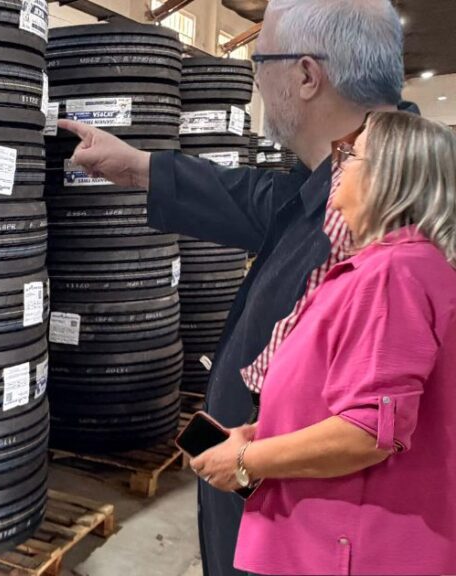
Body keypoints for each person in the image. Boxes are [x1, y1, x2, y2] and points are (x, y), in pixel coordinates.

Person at [57, 1, 409, 574]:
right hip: (267, 517)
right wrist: (136, 167)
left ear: (306, 75)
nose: (256, 80)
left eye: (259, 61)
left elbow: (375, 426)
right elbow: (259, 200)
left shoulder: (395, 217)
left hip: (314, 544)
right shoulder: (343, 179)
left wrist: (249, 459)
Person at [191, 111, 456, 575]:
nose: (341, 165)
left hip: (352, 549)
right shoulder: (385, 267)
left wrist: (246, 460)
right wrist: (266, 430)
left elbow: (369, 431)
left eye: (353, 155)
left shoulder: (395, 275)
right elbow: (352, 396)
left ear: (387, 178)